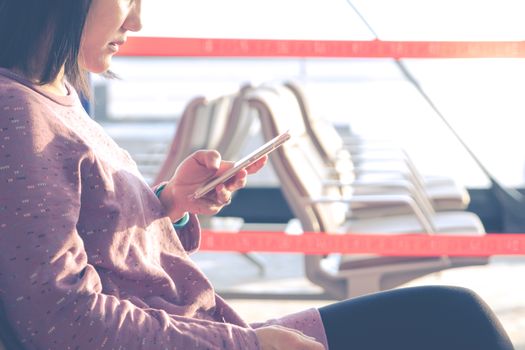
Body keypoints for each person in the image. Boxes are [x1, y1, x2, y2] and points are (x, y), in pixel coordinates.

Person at [0, 1, 516, 349]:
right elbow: (57, 314)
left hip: (210, 328)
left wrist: (170, 204)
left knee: (455, 316)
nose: (137, 20)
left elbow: (97, 245)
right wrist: (246, 345)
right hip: (212, 337)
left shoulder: (58, 97)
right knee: (454, 319)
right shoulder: (18, 113)